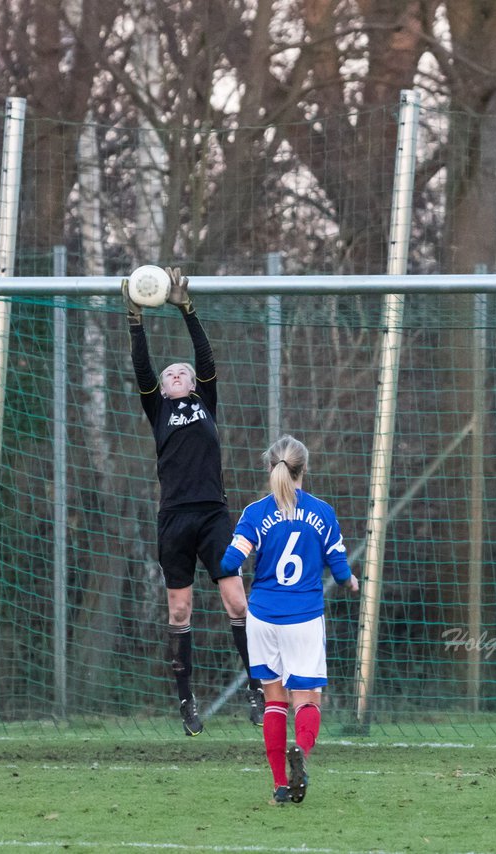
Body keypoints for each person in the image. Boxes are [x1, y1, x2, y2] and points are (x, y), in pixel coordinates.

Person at [124, 266, 265, 735]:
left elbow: (205, 358)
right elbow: (142, 367)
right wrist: (136, 323)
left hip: (212, 515)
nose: (179, 372)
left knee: (237, 603)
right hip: (174, 521)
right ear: (163, 389)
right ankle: (186, 702)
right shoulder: (157, 406)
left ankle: (256, 689)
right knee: (180, 611)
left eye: (182, 370)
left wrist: (189, 311)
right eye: (171, 373)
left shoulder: (206, 400)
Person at [220, 435, 359, 804]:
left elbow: (229, 563)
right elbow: (341, 570)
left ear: (270, 467)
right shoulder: (323, 512)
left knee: (274, 700)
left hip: (262, 617)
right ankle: (302, 752)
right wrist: (351, 582)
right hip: (303, 618)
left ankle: (281, 785)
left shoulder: (255, 513)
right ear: (304, 468)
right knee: (308, 698)